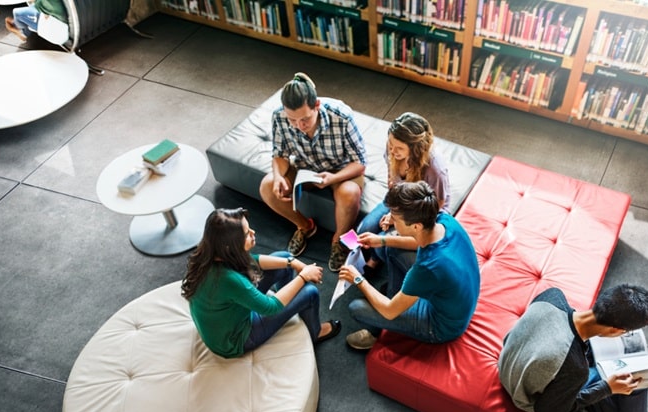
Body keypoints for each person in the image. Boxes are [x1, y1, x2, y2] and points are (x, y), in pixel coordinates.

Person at [498, 285, 648, 412]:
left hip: (508, 362)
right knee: (635, 378)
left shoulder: (552, 296)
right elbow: (547, 411)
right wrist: (607, 388)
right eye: (626, 332)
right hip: (526, 396)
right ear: (615, 330)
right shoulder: (574, 367)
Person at [181, 208, 341, 358]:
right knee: (310, 293)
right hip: (234, 340)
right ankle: (315, 332)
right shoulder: (229, 279)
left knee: (284, 257)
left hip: (228, 318)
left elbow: (252, 260)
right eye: (247, 234)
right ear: (231, 245)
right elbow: (270, 307)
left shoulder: (211, 254)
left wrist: (292, 262)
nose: (253, 233)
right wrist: (303, 277)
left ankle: (291, 303)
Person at [338, 181, 480, 350]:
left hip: (442, 325)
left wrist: (358, 279)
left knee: (357, 308)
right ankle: (397, 296)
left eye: (396, 218)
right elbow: (419, 242)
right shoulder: (445, 220)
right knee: (391, 248)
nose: (391, 220)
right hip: (458, 299)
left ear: (416, 226)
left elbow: (389, 311)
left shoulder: (427, 268)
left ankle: (380, 328)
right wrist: (381, 240)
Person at [259, 72, 367, 272]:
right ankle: (305, 226)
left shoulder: (342, 117)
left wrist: (334, 178)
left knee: (349, 193)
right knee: (267, 186)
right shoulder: (279, 116)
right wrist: (278, 177)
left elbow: (360, 163)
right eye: (293, 120)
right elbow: (280, 154)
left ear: (317, 105)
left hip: (341, 170)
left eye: (305, 119)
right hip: (305, 166)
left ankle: (339, 241)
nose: (299, 126)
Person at [356, 112, 450, 279]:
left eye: (399, 148)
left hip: (423, 210)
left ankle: (376, 261)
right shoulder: (392, 149)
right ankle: (374, 260)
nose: (392, 151)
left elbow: (438, 203)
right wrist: (393, 212)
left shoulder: (435, 168)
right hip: (398, 199)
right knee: (364, 229)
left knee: (384, 245)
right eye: (391, 144)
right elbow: (392, 182)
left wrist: (397, 217)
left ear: (415, 149)